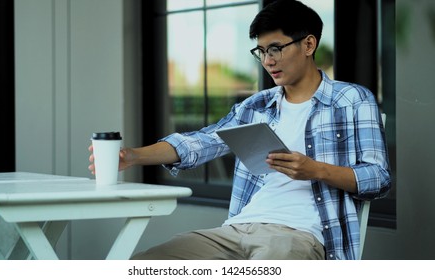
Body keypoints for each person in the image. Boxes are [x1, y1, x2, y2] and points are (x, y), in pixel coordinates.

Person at [88, 0, 391, 260]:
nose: (268, 61)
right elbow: (200, 142)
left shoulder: (352, 100)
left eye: (276, 49)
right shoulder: (256, 106)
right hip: (236, 230)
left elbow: (377, 178)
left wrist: (315, 170)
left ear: (308, 45)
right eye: (260, 51)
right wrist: (132, 156)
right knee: (142, 264)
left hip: (299, 237)